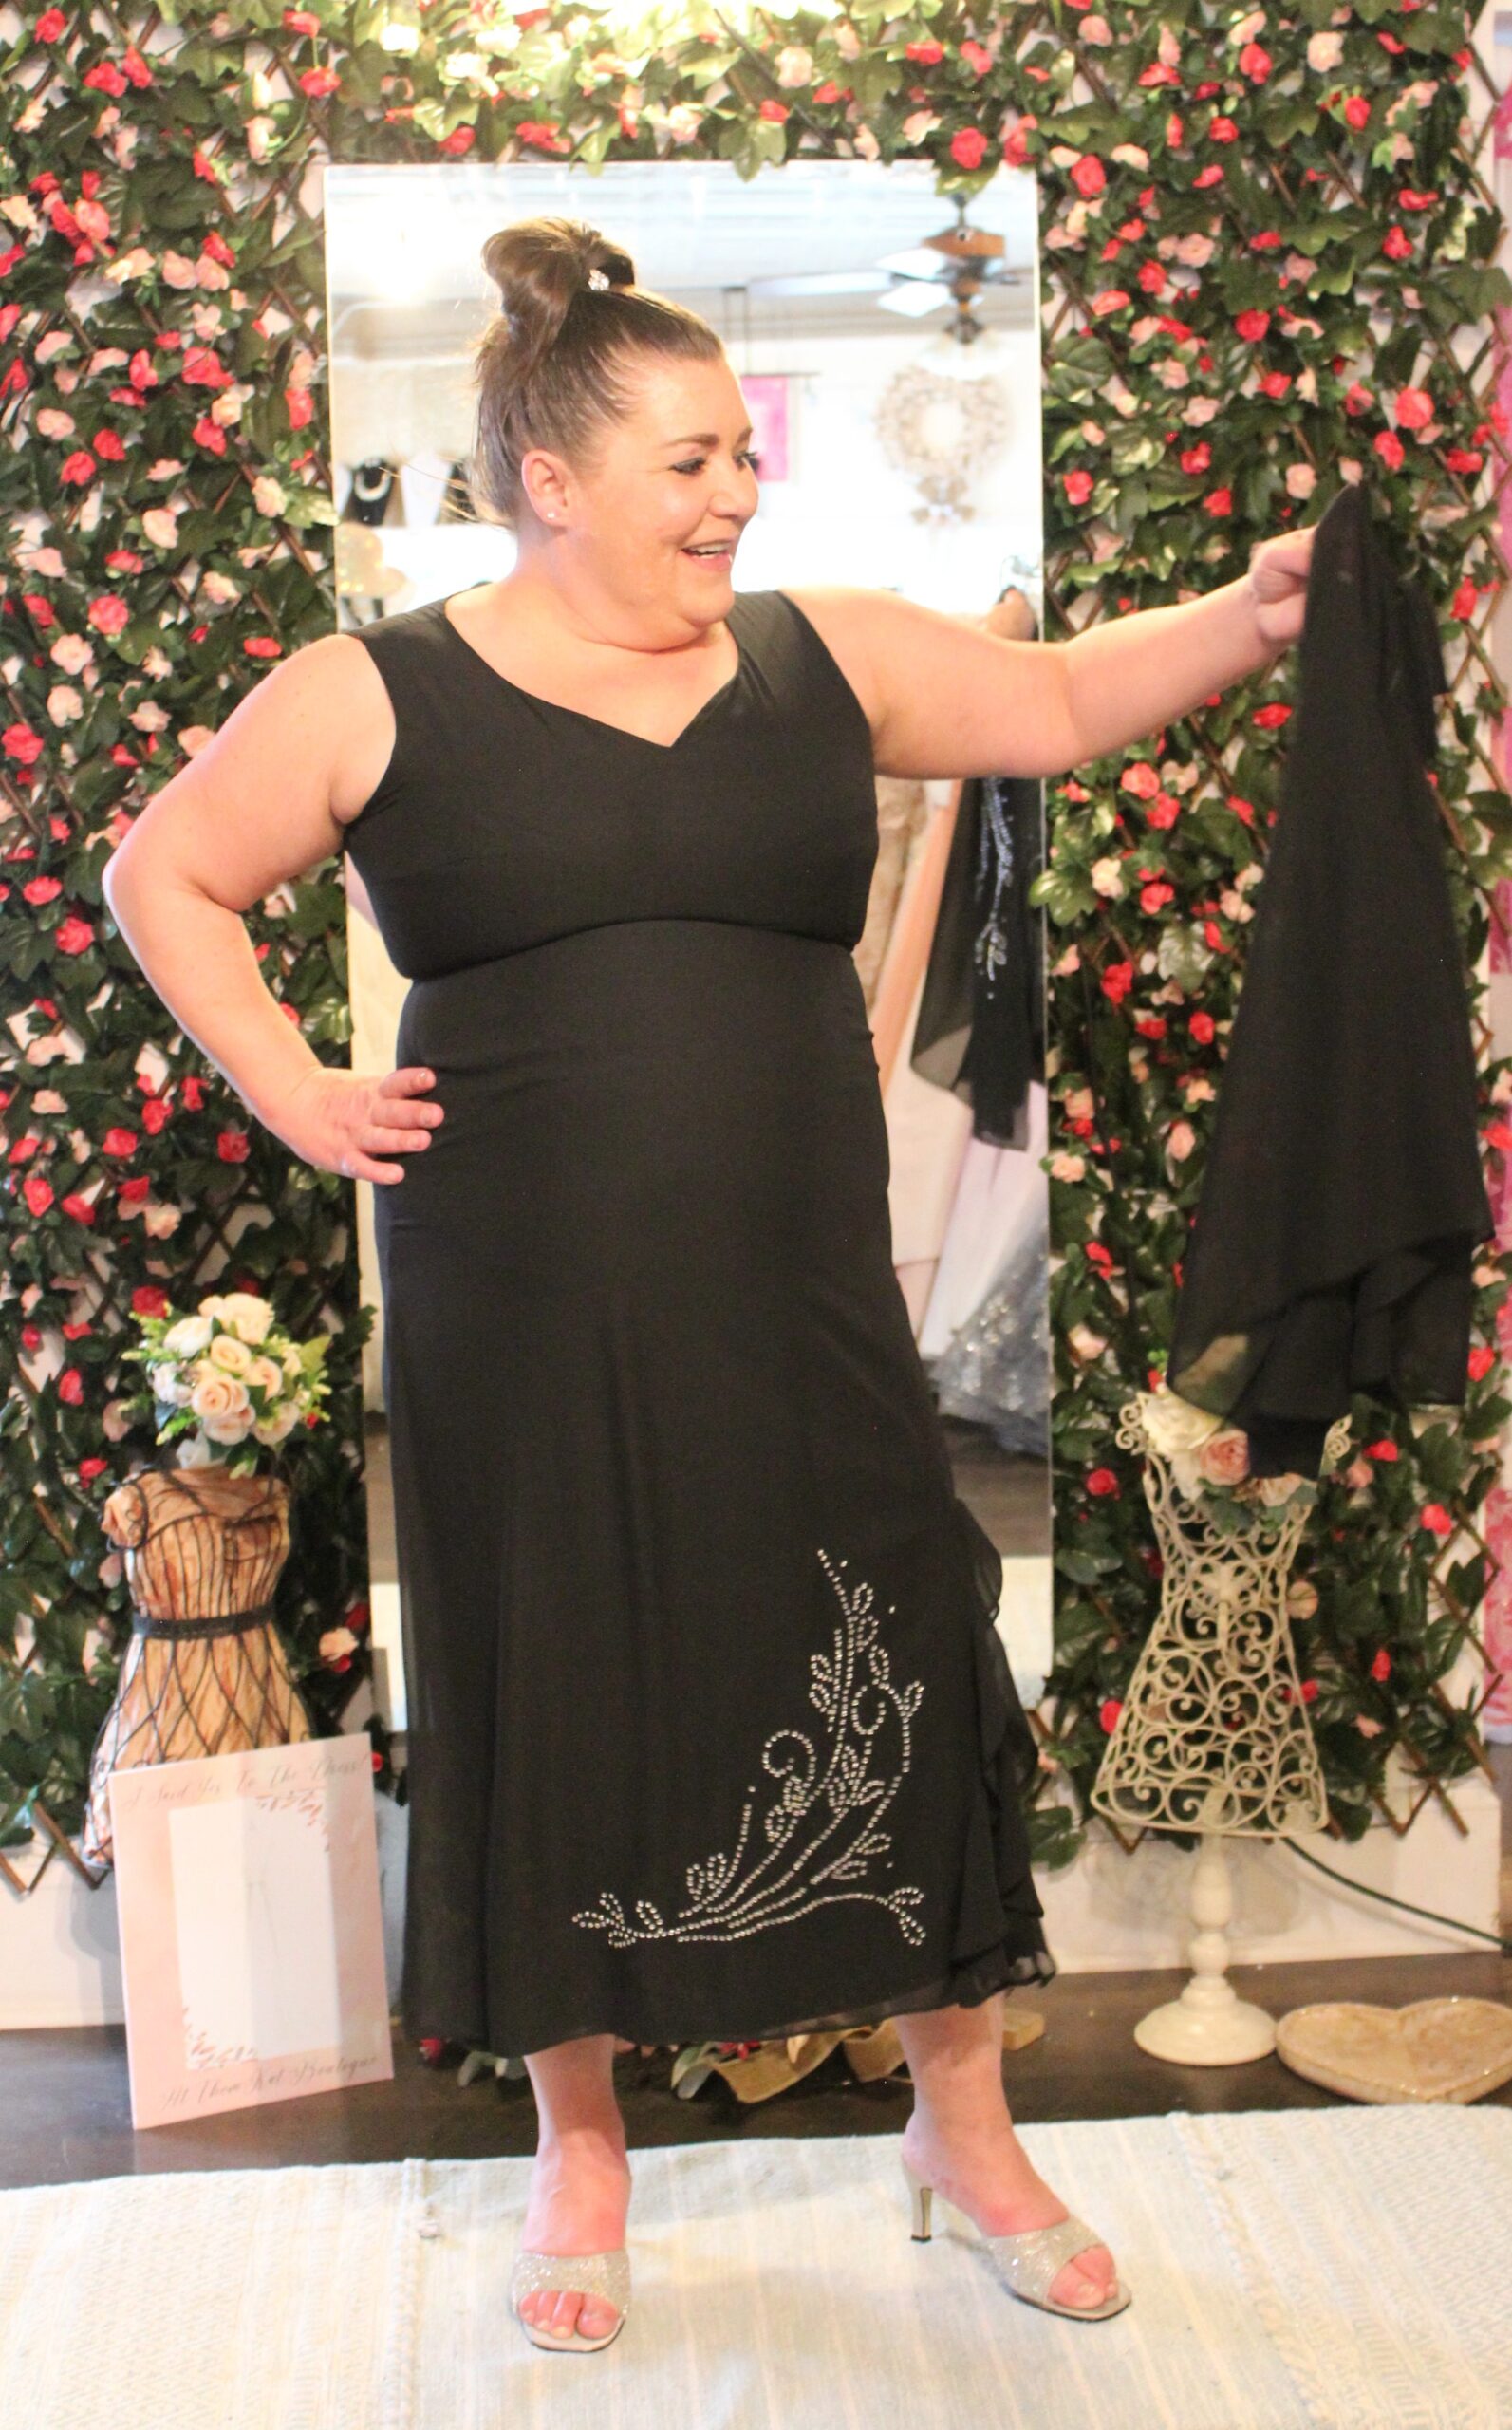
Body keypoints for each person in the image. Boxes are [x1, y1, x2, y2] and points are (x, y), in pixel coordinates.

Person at [103, 214, 1313, 2357]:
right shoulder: (373, 690)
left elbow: (1047, 702)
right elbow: (164, 870)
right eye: (689, 460)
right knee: (556, 1668)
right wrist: (293, 1084)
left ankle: (961, 2126)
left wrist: (1249, 612)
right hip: (516, 1307)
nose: (736, 494)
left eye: (741, 453)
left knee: (899, 1633)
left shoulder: (816, 656)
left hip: (794, 1283)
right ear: (548, 478)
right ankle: (580, 2146)